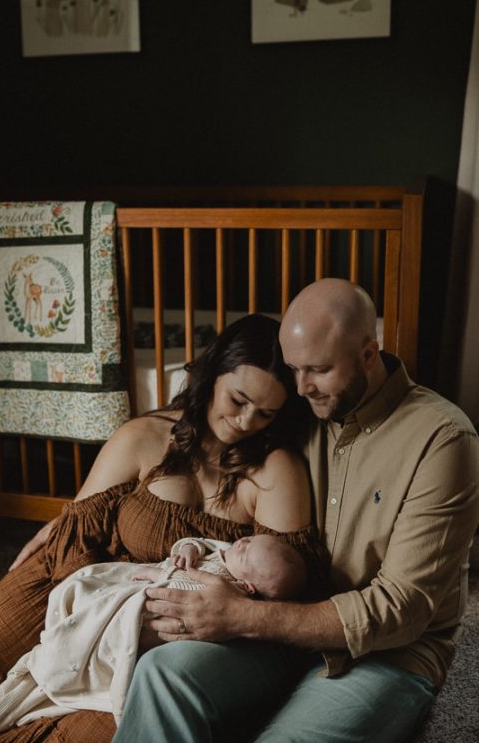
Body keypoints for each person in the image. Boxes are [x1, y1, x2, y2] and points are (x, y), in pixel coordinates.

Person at [0, 313, 327, 743]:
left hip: (158, 636)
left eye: (265, 414)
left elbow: (282, 589)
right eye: (238, 401)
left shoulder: (275, 469)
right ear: (212, 376)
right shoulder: (144, 436)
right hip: (82, 591)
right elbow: (76, 533)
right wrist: (70, 622)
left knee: (82, 732)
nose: (246, 422)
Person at [112, 278, 479, 743]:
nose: (301, 387)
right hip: (284, 628)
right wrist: (83, 513)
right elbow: (207, 437)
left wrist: (241, 617)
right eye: (294, 369)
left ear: (369, 353)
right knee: (164, 675)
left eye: (319, 370)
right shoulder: (302, 407)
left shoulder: (442, 440)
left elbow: (401, 609)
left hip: (388, 654)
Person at [0, 535, 307, 734]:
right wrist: (186, 550)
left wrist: (163, 580)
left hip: (150, 603)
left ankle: (62, 669)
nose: (241, 543)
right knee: (84, 585)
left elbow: (185, 600)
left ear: (247, 587)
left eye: (246, 551)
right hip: (131, 580)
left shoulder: (228, 588)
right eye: (248, 540)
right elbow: (195, 542)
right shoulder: (220, 551)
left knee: (139, 623)